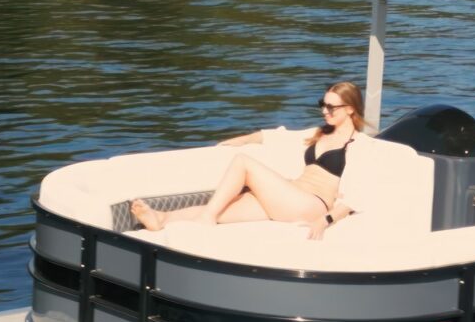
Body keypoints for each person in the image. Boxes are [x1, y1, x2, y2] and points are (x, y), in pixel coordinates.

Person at [132, 82, 365, 240]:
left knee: (243, 163)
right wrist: (242, 139)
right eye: (322, 105)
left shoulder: (360, 146)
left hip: (312, 205)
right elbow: (278, 136)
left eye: (331, 107)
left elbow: (355, 195)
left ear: (351, 109)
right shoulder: (318, 133)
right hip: (291, 196)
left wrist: (325, 221)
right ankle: (162, 219)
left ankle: (206, 219)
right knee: (224, 208)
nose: (325, 111)